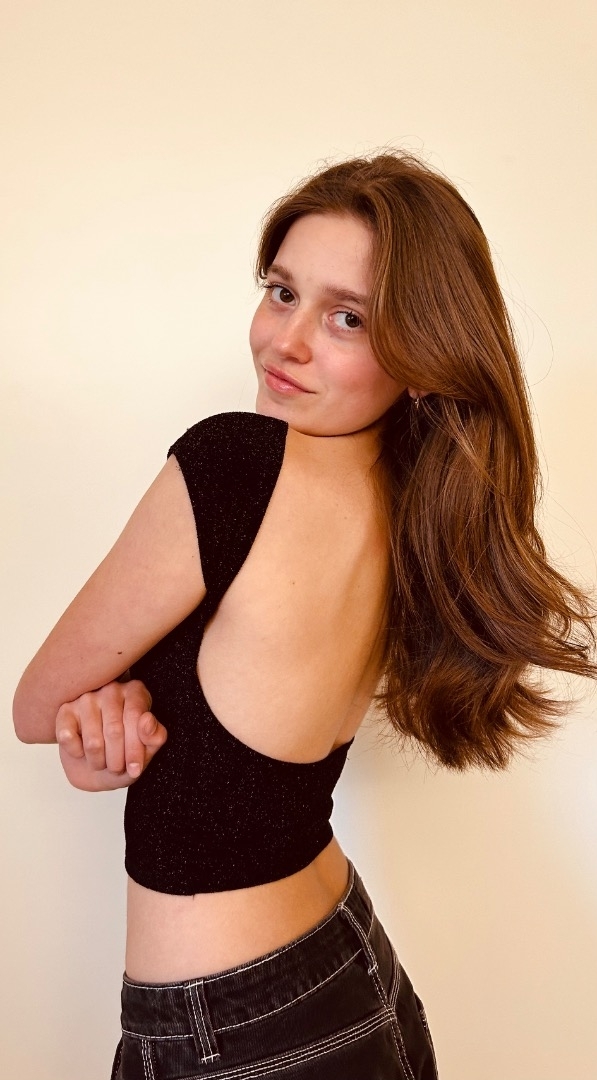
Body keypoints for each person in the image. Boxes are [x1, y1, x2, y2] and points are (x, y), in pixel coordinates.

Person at [13, 150, 595, 1079]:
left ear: (421, 356)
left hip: (232, 1031)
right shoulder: (410, 501)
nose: (285, 341)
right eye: (282, 292)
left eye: (346, 317)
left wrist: (99, 704)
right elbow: (205, 718)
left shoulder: (235, 465)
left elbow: (35, 704)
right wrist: (118, 713)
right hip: (345, 974)